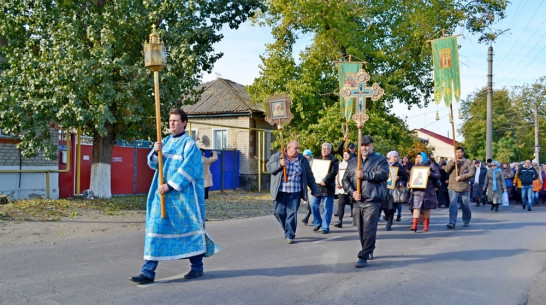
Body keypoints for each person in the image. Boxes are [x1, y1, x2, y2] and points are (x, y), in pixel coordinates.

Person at [131, 108, 220, 285]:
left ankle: (197, 267)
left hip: (182, 198)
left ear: (184, 123)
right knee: (155, 229)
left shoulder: (190, 145)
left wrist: (170, 186)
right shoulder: (164, 141)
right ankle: (148, 272)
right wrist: (155, 152)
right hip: (162, 196)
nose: (172, 123)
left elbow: (190, 170)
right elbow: (154, 165)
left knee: (188, 231)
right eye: (170, 120)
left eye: (176, 121)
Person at [342, 135, 389, 268]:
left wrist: (365, 175)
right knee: (361, 228)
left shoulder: (380, 160)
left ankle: (363, 255)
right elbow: (345, 180)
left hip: (372, 199)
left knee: (369, 227)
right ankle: (368, 248)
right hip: (357, 201)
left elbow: (384, 174)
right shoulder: (352, 162)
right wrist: (352, 192)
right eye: (362, 145)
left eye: (367, 145)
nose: (364, 147)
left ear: (372, 146)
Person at [267, 140, 319, 244]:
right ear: (288, 148)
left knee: (291, 214)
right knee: (279, 212)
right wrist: (279, 164)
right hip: (280, 191)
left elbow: (309, 175)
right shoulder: (277, 156)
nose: (298, 150)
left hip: (295, 192)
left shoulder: (302, 160)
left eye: (298, 148)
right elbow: (269, 168)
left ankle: (290, 234)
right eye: (296, 148)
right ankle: (287, 229)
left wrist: (314, 189)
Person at [310, 143, 339, 234]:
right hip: (317, 187)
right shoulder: (317, 159)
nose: (325, 150)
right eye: (323, 149)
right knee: (313, 204)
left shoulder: (334, 160)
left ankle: (325, 227)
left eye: (327, 149)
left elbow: (333, 172)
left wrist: (325, 180)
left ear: (330, 150)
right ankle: (318, 222)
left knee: (327, 208)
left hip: (327, 188)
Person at [408, 152, 440, 232]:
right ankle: (414, 225)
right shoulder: (414, 167)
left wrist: (431, 174)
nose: (417, 159)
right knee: (416, 207)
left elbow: (438, 175)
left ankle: (426, 225)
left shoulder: (430, 164)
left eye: (419, 157)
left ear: (423, 157)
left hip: (428, 190)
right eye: (417, 157)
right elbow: (411, 177)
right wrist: (409, 182)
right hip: (417, 189)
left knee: (426, 207)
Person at [445, 146, 475, 229]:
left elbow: (472, 173)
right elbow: (446, 170)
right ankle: (452, 222)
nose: (458, 154)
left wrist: (461, 177)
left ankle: (466, 220)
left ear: (463, 153)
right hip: (452, 187)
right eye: (456, 152)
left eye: (459, 152)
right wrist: (452, 163)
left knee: (465, 205)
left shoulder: (467, 162)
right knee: (453, 204)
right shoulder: (452, 161)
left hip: (464, 187)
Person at [382, 150, 406, 230]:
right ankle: (387, 216)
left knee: (391, 205)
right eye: (394, 157)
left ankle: (389, 222)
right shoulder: (383, 164)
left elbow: (404, 176)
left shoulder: (398, 166)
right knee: (384, 205)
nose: (396, 158)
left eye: (396, 157)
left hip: (394, 187)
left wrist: (399, 177)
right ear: (389, 157)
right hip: (384, 187)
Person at [334, 150, 353, 228]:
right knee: (341, 203)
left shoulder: (353, 164)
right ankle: (340, 221)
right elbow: (337, 175)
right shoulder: (340, 164)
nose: (345, 156)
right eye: (344, 154)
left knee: (353, 203)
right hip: (341, 188)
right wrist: (337, 183)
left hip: (351, 188)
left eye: (347, 154)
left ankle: (356, 220)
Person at [301, 149, 314, 225]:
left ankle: (307, 217)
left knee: (312, 203)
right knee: (310, 203)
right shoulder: (302, 162)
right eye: (304, 155)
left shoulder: (314, 162)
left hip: (313, 185)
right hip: (306, 186)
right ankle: (316, 218)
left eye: (307, 155)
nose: (306, 157)